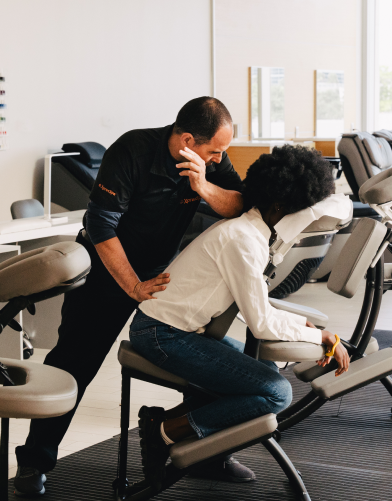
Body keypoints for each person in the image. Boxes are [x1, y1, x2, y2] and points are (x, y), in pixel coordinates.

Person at [14, 97, 251, 495]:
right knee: (74, 364)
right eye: (214, 152)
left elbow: (240, 204)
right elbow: (101, 226)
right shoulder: (132, 151)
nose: (219, 159)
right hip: (106, 272)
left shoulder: (208, 160)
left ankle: (205, 453)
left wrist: (203, 185)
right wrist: (133, 287)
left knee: (201, 354)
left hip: (161, 273)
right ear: (189, 140)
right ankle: (35, 461)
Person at [129, 145, 351, 487]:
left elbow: (257, 307)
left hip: (180, 330)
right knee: (276, 392)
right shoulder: (242, 241)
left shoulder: (250, 234)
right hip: (163, 333)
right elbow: (260, 323)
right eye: (300, 211)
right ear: (279, 207)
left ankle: (205, 453)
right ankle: (165, 432)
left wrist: (301, 327)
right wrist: (321, 337)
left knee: (262, 374)